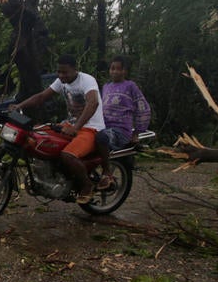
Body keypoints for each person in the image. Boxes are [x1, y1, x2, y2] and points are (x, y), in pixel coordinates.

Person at [10, 55, 104, 203]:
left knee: (68, 155)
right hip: (69, 125)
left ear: (75, 69)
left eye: (65, 72)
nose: (61, 75)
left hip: (90, 128)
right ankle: (51, 174)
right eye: (59, 72)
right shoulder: (62, 81)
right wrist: (19, 106)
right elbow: (41, 96)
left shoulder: (87, 80)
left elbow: (93, 103)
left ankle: (87, 185)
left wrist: (76, 127)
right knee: (34, 134)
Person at [95, 56, 151, 190]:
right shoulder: (106, 86)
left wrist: (137, 132)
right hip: (105, 127)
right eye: (112, 68)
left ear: (124, 71)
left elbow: (143, 107)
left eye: (118, 69)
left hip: (120, 130)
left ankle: (106, 174)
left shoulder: (130, 86)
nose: (114, 72)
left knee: (101, 138)